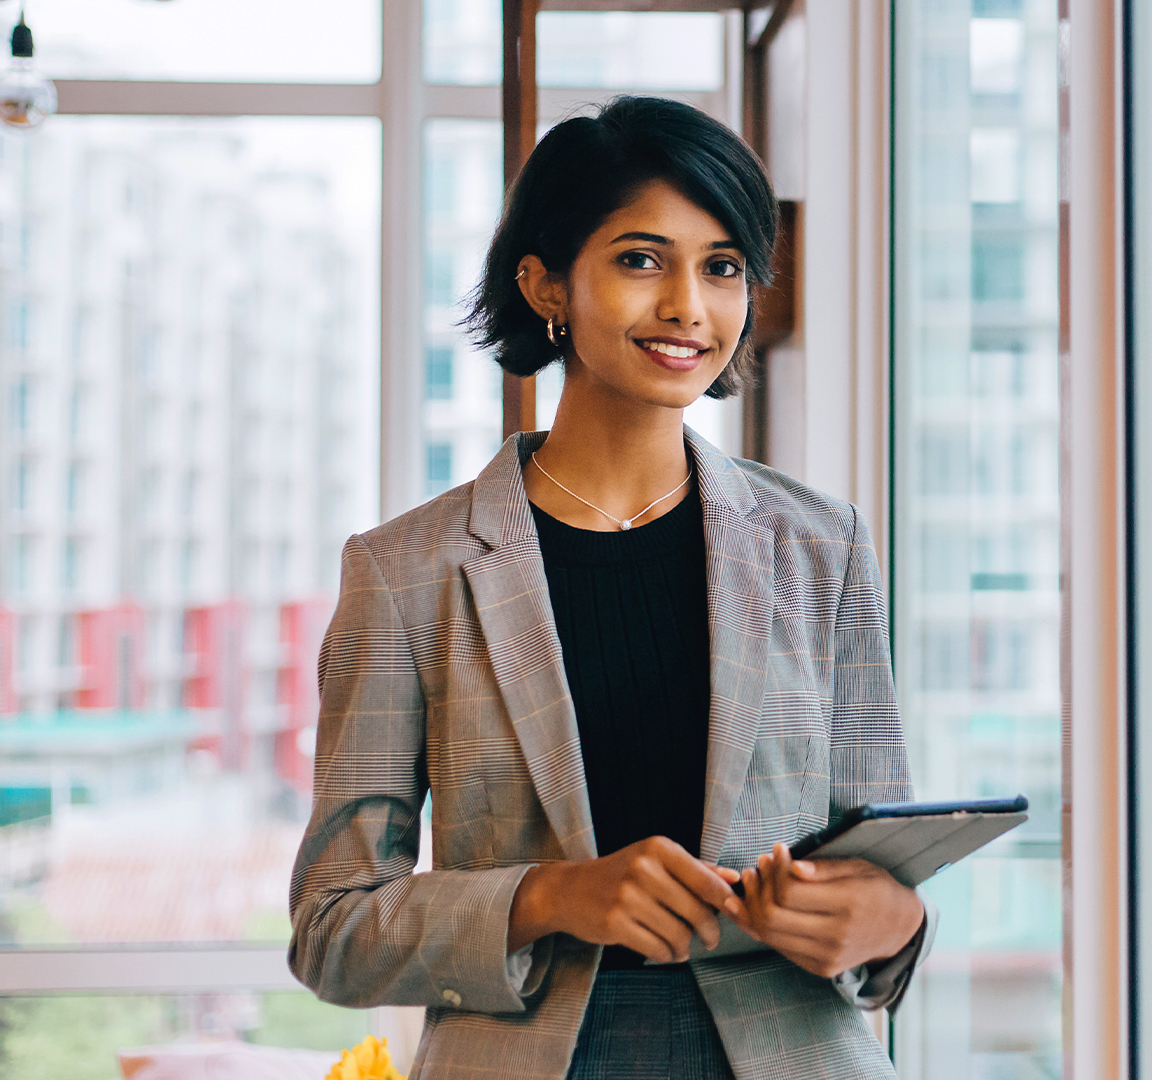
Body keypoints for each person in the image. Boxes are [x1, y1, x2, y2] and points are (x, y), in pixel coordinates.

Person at [288, 96, 930, 1080]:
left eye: (722, 267)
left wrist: (894, 918)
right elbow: (333, 930)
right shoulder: (408, 573)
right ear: (545, 283)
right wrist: (548, 898)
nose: (688, 307)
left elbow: (882, 868)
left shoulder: (821, 546)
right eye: (641, 259)